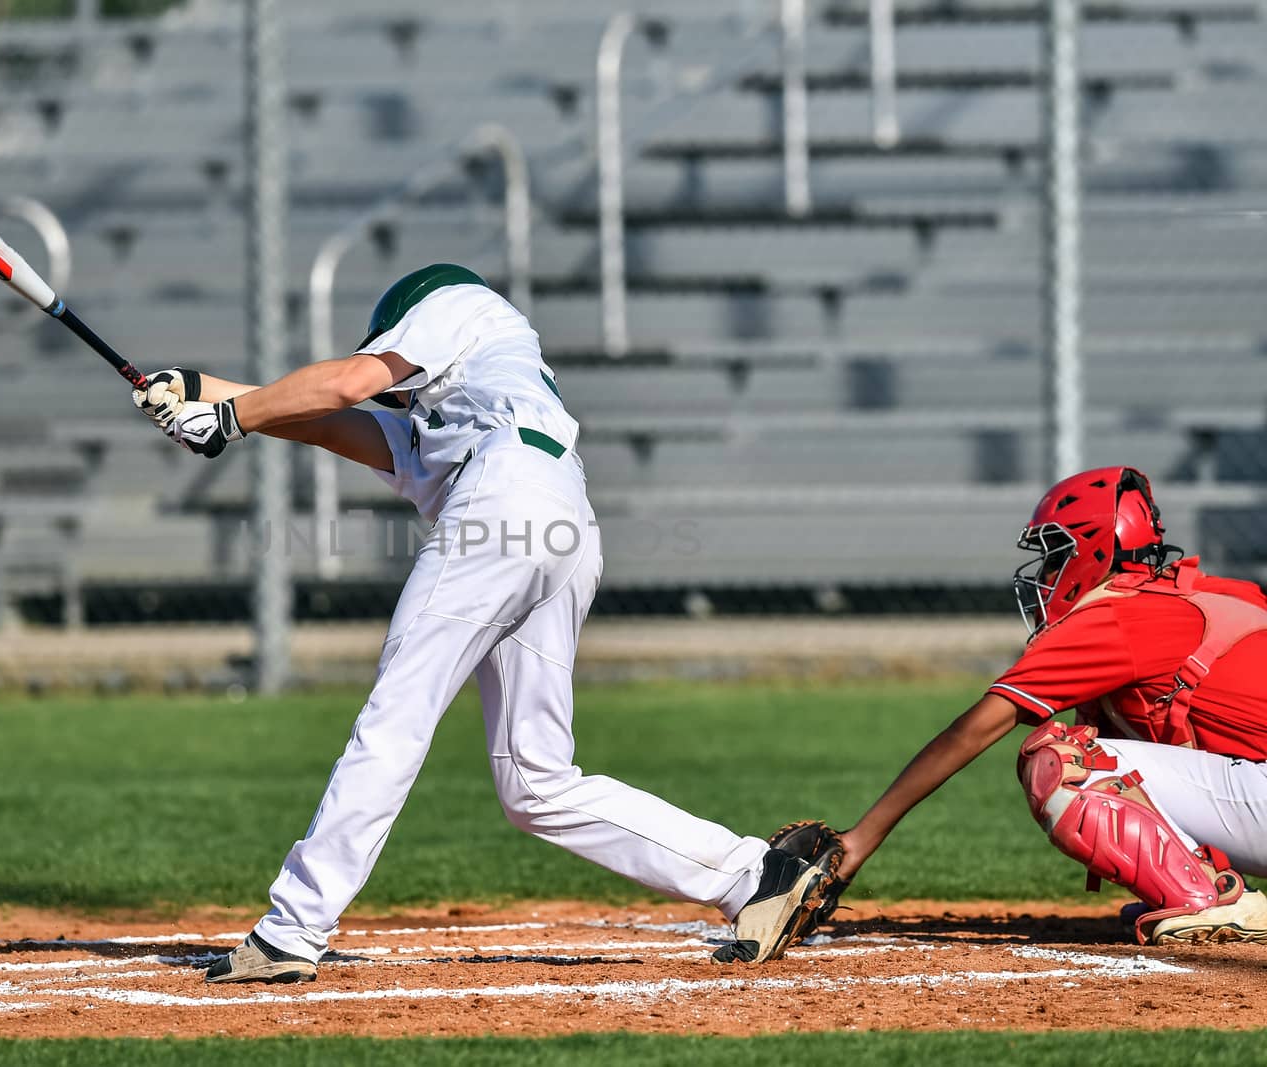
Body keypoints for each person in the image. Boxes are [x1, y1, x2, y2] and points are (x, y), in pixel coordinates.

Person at [132, 263, 835, 982]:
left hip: (504, 503)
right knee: (536, 780)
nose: (399, 389)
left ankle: (293, 928)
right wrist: (198, 391)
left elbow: (346, 385)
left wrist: (228, 421)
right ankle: (753, 874)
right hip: (561, 521)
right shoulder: (453, 415)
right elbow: (332, 422)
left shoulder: (460, 306)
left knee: (395, 716)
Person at [827, 466, 1267, 945]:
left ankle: (1208, 898)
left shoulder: (1115, 616)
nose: (1046, 574)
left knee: (1064, 761)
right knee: (1117, 744)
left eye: (1056, 555)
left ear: (1096, 548)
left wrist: (860, 839)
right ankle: (1198, 880)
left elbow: (975, 728)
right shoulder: (1205, 592)